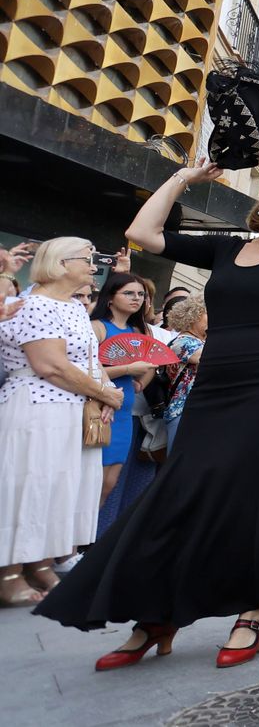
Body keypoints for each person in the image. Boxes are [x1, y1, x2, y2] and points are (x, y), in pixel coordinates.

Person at [39, 154, 259, 669]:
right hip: (218, 382)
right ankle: (158, 613)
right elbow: (142, 232)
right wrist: (183, 179)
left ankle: (254, 610)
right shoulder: (226, 248)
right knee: (184, 488)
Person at [0, 238, 120, 606]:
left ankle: (40, 562)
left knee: (58, 487)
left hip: (70, 409)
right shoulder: (34, 304)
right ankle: (9, 571)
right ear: (60, 262)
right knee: (29, 484)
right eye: (87, 258)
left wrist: (106, 391)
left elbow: (87, 360)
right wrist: (102, 393)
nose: (93, 264)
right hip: (36, 407)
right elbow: (49, 365)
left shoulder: (73, 307)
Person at [89, 273, 157, 508]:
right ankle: (76, 542)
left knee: (110, 482)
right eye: (128, 293)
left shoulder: (138, 332)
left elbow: (152, 363)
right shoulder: (97, 327)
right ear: (110, 297)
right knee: (91, 481)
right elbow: (86, 371)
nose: (136, 298)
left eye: (140, 294)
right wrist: (127, 368)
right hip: (98, 408)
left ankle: (89, 542)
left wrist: (140, 382)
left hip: (125, 411)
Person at [160, 297, 207, 450]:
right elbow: (206, 358)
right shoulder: (182, 341)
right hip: (183, 411)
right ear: (193, 316)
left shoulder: (204, 342)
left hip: (198, 410)